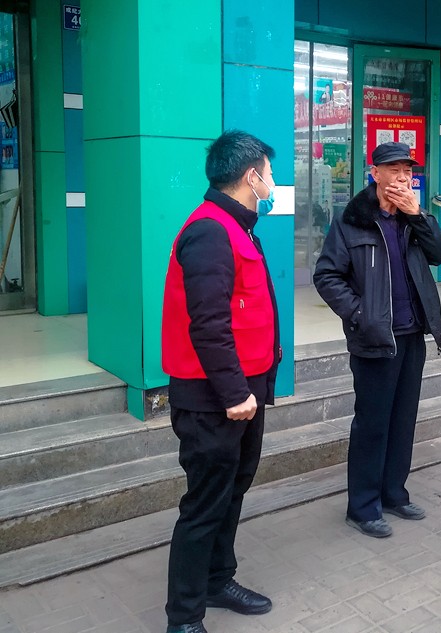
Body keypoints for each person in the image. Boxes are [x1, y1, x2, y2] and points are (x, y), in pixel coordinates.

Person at [161, 130, 281, 633]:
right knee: (205, 505)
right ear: (251, 176)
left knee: (231, 492)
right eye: (269, 173)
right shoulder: (210, 231)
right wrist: (234, 393)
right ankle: (184, 618)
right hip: (215, 401)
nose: (273, 181)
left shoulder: (238, 227)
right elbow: (208, 323)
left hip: (242, 395)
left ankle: (217, 579)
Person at [313, 141, 441, 539]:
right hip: (375, 338)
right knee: (372, 424)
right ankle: (362, 506)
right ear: (375, 173)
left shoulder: (413, 217)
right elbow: (327, 276)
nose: (403, 177)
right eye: (394, 170)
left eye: (408, 171)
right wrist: (361, 315)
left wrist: (418, 215)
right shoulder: (351, 220)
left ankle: (394, 493)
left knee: (403, 420)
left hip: (412, 334)